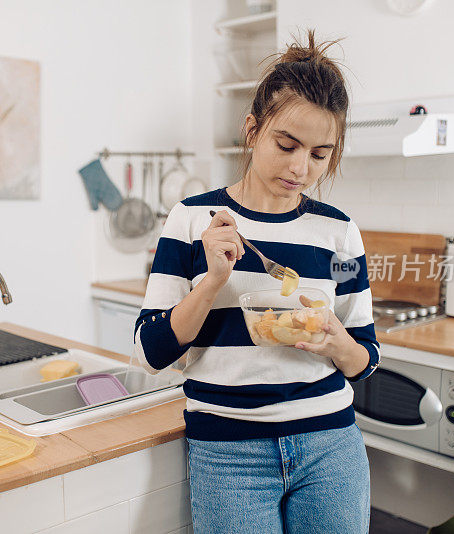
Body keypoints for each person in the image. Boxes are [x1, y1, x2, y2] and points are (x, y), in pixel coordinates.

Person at [132, 30, 380, 534]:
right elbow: (149, 351)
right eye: (286, 145)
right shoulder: (191, 220)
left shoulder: (339, 232)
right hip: (228, 452)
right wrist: (211, 282)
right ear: (252, 129)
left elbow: (366, 360)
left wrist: (337, 341)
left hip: (331, 445)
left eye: (318, 154)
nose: (299, 167)